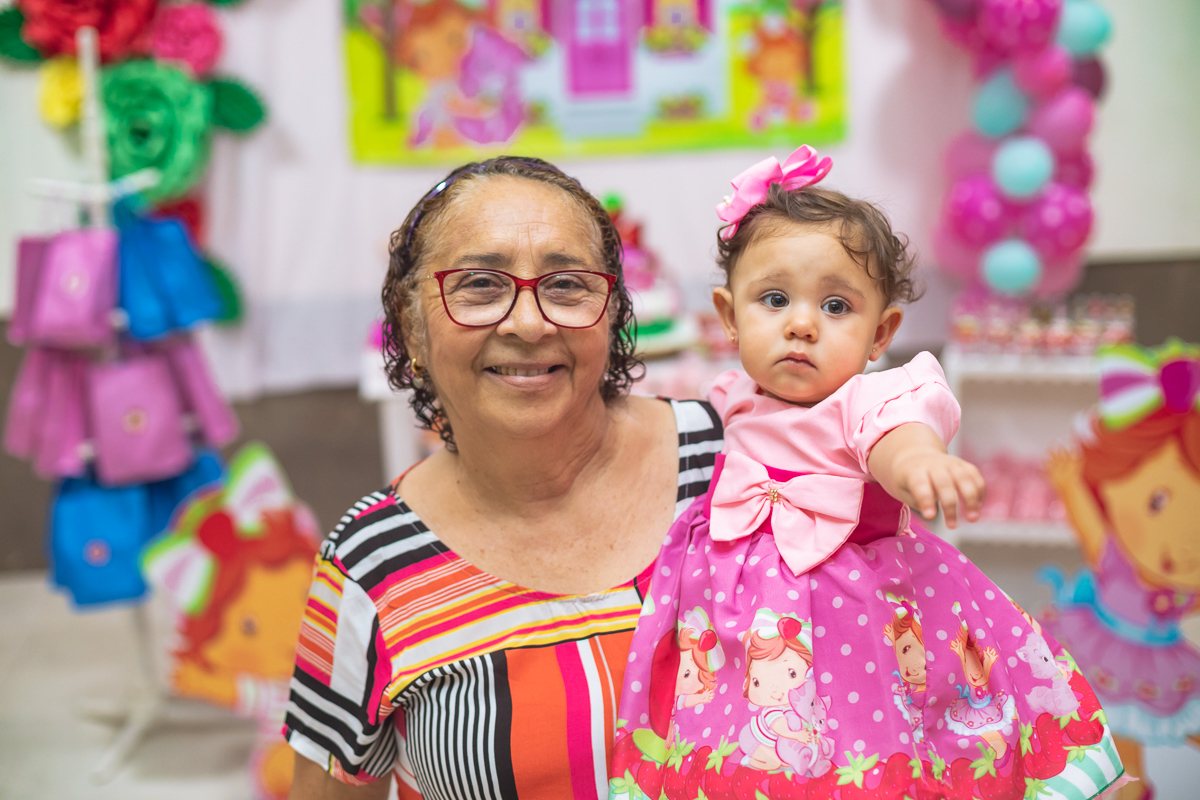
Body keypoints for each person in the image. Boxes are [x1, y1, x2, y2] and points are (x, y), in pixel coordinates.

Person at [611, 146, 1124, 800]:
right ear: (730, 315)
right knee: (738, 735)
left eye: (835, 307)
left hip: (847, 617)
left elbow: (894, 434)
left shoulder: (864, 398)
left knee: (860, 745)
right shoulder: (733, 396)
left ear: (880, 334)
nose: (801, 323)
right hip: (740, 614)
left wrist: (919, 462)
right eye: (774, 299)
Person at [282, 156, 724, 799]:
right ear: (411, 327)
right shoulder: (372, 563)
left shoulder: (730, 467)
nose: (527, 322)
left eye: (567, 284)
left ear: (612, 312)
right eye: (480, 285)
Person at [1043, 340, 1200, 800]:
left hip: (1166, 657)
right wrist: (1070, 486)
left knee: (1168, 722)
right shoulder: (1114, 555)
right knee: (1118, 739)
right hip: (1105, 649)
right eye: (1158, 503)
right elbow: (1090, 525)